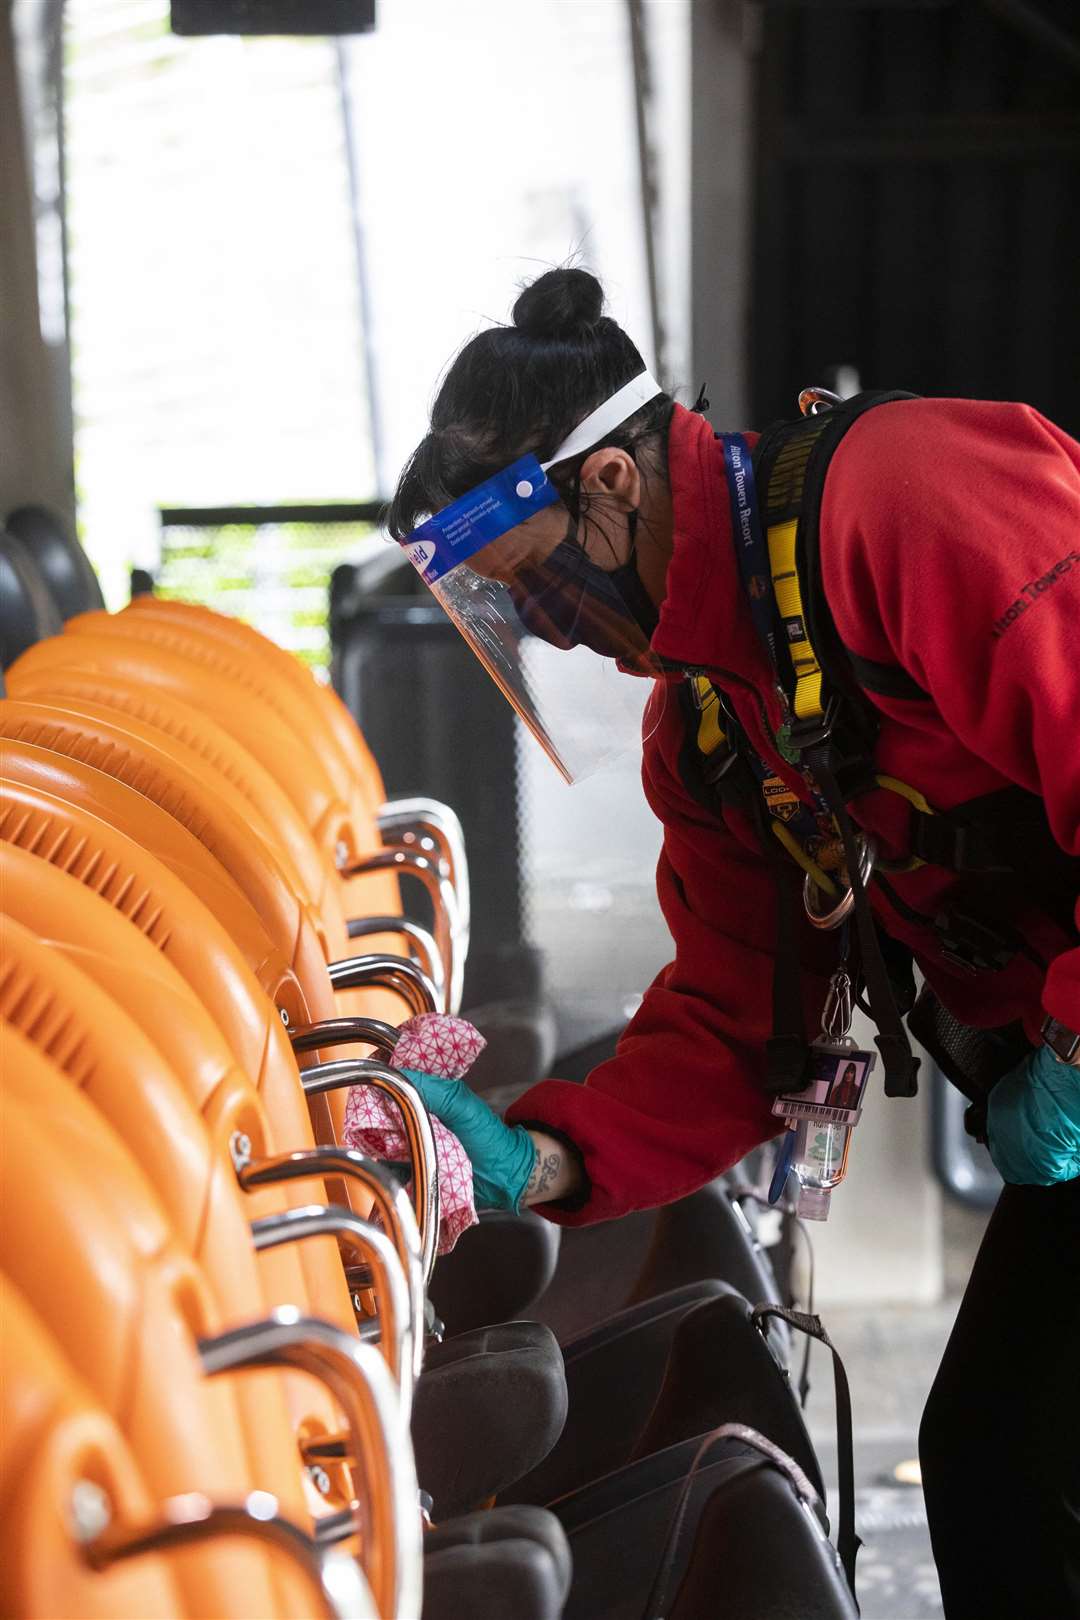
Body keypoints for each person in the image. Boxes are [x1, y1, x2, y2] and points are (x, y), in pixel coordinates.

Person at [388, 267, 1080, 1618]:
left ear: (609, 487)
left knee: (1023, 1456)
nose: (551, 635)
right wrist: (542, 1155)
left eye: (537, 592)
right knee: (998, 1457)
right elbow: (735, 1021)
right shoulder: (715, 728)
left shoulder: (907, 498)